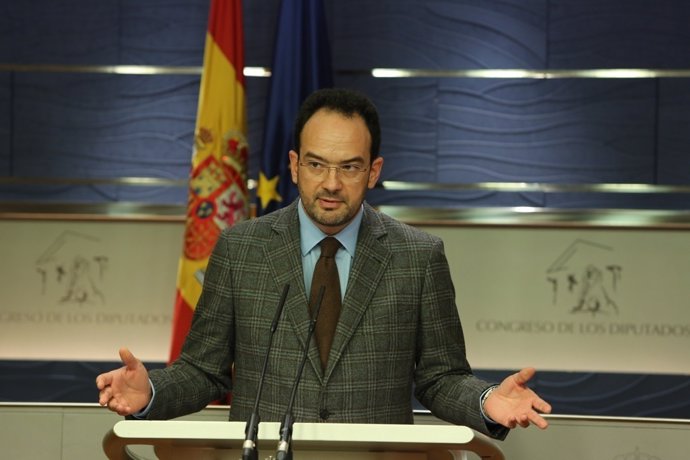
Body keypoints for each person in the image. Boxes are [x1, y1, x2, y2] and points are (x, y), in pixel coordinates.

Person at [96, 88, 551, 440]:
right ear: (294, 165)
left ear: (373, 171)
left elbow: (440, 377)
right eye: (316, 164)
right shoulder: (241, 248)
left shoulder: (418, 256)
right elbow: (204, 370)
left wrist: (487, 401)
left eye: (350, 168)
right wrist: (149, 392)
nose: (331, 184)